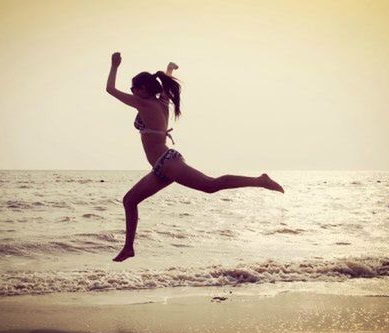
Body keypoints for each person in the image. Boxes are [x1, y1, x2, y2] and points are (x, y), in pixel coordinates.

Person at [106, 52, 284, 262]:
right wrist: (170, 69)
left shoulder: (144, 104)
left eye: (133, 88)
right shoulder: (161, 101)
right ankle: (128, 248)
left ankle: (260, 180)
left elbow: (109, 89)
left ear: (143, 89)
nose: (132, 92)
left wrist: (114, 65)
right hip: (160, 167)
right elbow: (164, 83)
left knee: (211, 185)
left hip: (167, 162)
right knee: (129, 200)